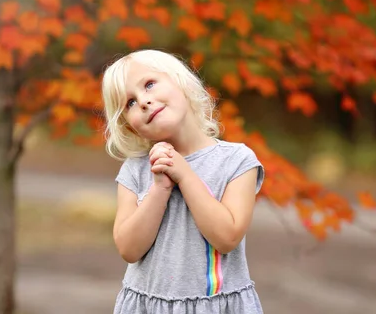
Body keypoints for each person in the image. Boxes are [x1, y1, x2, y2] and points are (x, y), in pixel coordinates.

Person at [101, 49, 265, 314]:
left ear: (182, 82)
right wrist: (160, 188)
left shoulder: (236, 160)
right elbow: (129, 249)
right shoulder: (135, 170)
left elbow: (227, 237)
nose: (143, 101)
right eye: (130, 102)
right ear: (130, 127)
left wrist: (184, 174)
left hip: (213, 306)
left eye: (150, 84)